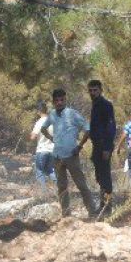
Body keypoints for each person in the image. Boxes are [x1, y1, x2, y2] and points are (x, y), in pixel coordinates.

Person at [41, 89, 98, 217]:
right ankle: (66, 214)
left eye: (62, 100)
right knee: (61, 187)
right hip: (57, 156)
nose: (59, 103)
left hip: (72, 155)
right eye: (56, 100)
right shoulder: (52, 115)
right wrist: (51, 139)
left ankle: (92, 212)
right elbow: (43, 129)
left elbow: (88, 129)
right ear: (53, 102)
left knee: (81, 184)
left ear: (65, 99)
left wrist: (80, 146)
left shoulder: (72, 113)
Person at [87, 80, 117, 207]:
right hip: (96, 145)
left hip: (104, 145)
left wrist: (107, 148)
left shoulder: (106, 105)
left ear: (100, 90)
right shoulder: (95, 105)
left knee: (105, 175)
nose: (93, 92)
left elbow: (111, 127)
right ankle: (103, 202)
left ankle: (107, 205)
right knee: (99, 175)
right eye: (91, 90)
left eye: (95, 90)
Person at [30, 102, 56, 195]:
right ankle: (59, 190)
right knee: (50, 170)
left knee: (40, 171)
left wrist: (32, 134)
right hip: (52, 150)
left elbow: (33, 137)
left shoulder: (40, 122)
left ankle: (43, 193)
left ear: (38, 111)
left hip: (42, 150)